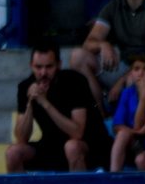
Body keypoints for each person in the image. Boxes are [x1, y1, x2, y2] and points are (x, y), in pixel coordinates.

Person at [6, 40, 112, 172]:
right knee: (13, 152)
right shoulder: (25, 86)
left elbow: (77, 133)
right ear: (31, 66)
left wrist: (45, 103)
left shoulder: (75, 81)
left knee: (72, 147)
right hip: (52, 147)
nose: (43, 73)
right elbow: (22, 138)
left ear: (59, 65)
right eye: (38, 67)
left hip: (91, 146)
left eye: (49, 67)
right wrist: (30, 104)